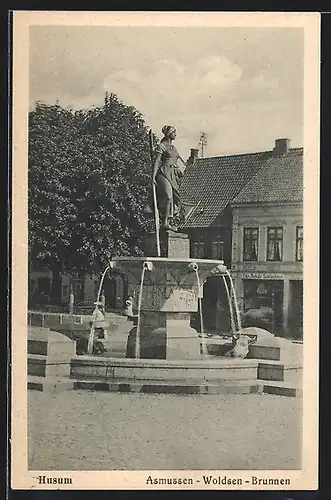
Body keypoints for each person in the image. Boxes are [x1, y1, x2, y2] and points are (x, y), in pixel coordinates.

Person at [152, 125, 184, 231]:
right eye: (173, 132)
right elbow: (157, 161)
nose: (175, 134)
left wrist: (180, 170)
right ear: (168, 134)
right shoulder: (162, 146)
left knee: (174, 198)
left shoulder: (173, 148)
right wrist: (153, 176)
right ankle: (164, 222)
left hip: (173, 174)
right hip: (163, 172)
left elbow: (178, 161)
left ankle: (170, 221)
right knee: (168, 196)